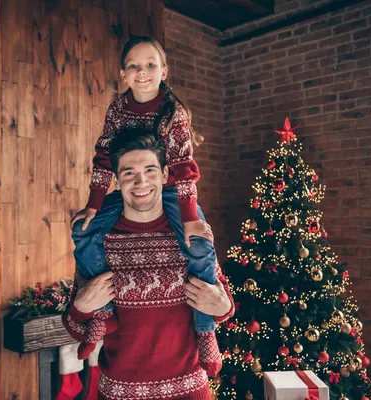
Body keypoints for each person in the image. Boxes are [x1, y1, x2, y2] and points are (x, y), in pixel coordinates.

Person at [70, 35, 219, 365]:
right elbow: (104, 158)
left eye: (150, 65)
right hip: (127, 188)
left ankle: (205, 329)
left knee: (199, 244)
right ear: (123, 74)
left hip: (172, 190)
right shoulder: (117, 110)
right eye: (134, 66)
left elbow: (182, 166)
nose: (142, 72)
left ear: (163, 71)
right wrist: (95, 203)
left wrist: (189, 215)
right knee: (82, 230)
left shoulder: (172, 113)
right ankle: (103, 314)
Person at [62, 129, 234, 399]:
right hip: (119, 393)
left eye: (150, 170)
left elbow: (223, 302)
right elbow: (73, 327)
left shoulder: (189, 231)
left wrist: (223, 307)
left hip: (190, 392)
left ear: (165, 175)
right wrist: (81, 306)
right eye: (129, 172)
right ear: (117, 180)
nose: (141, 182)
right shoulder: (98, 238)